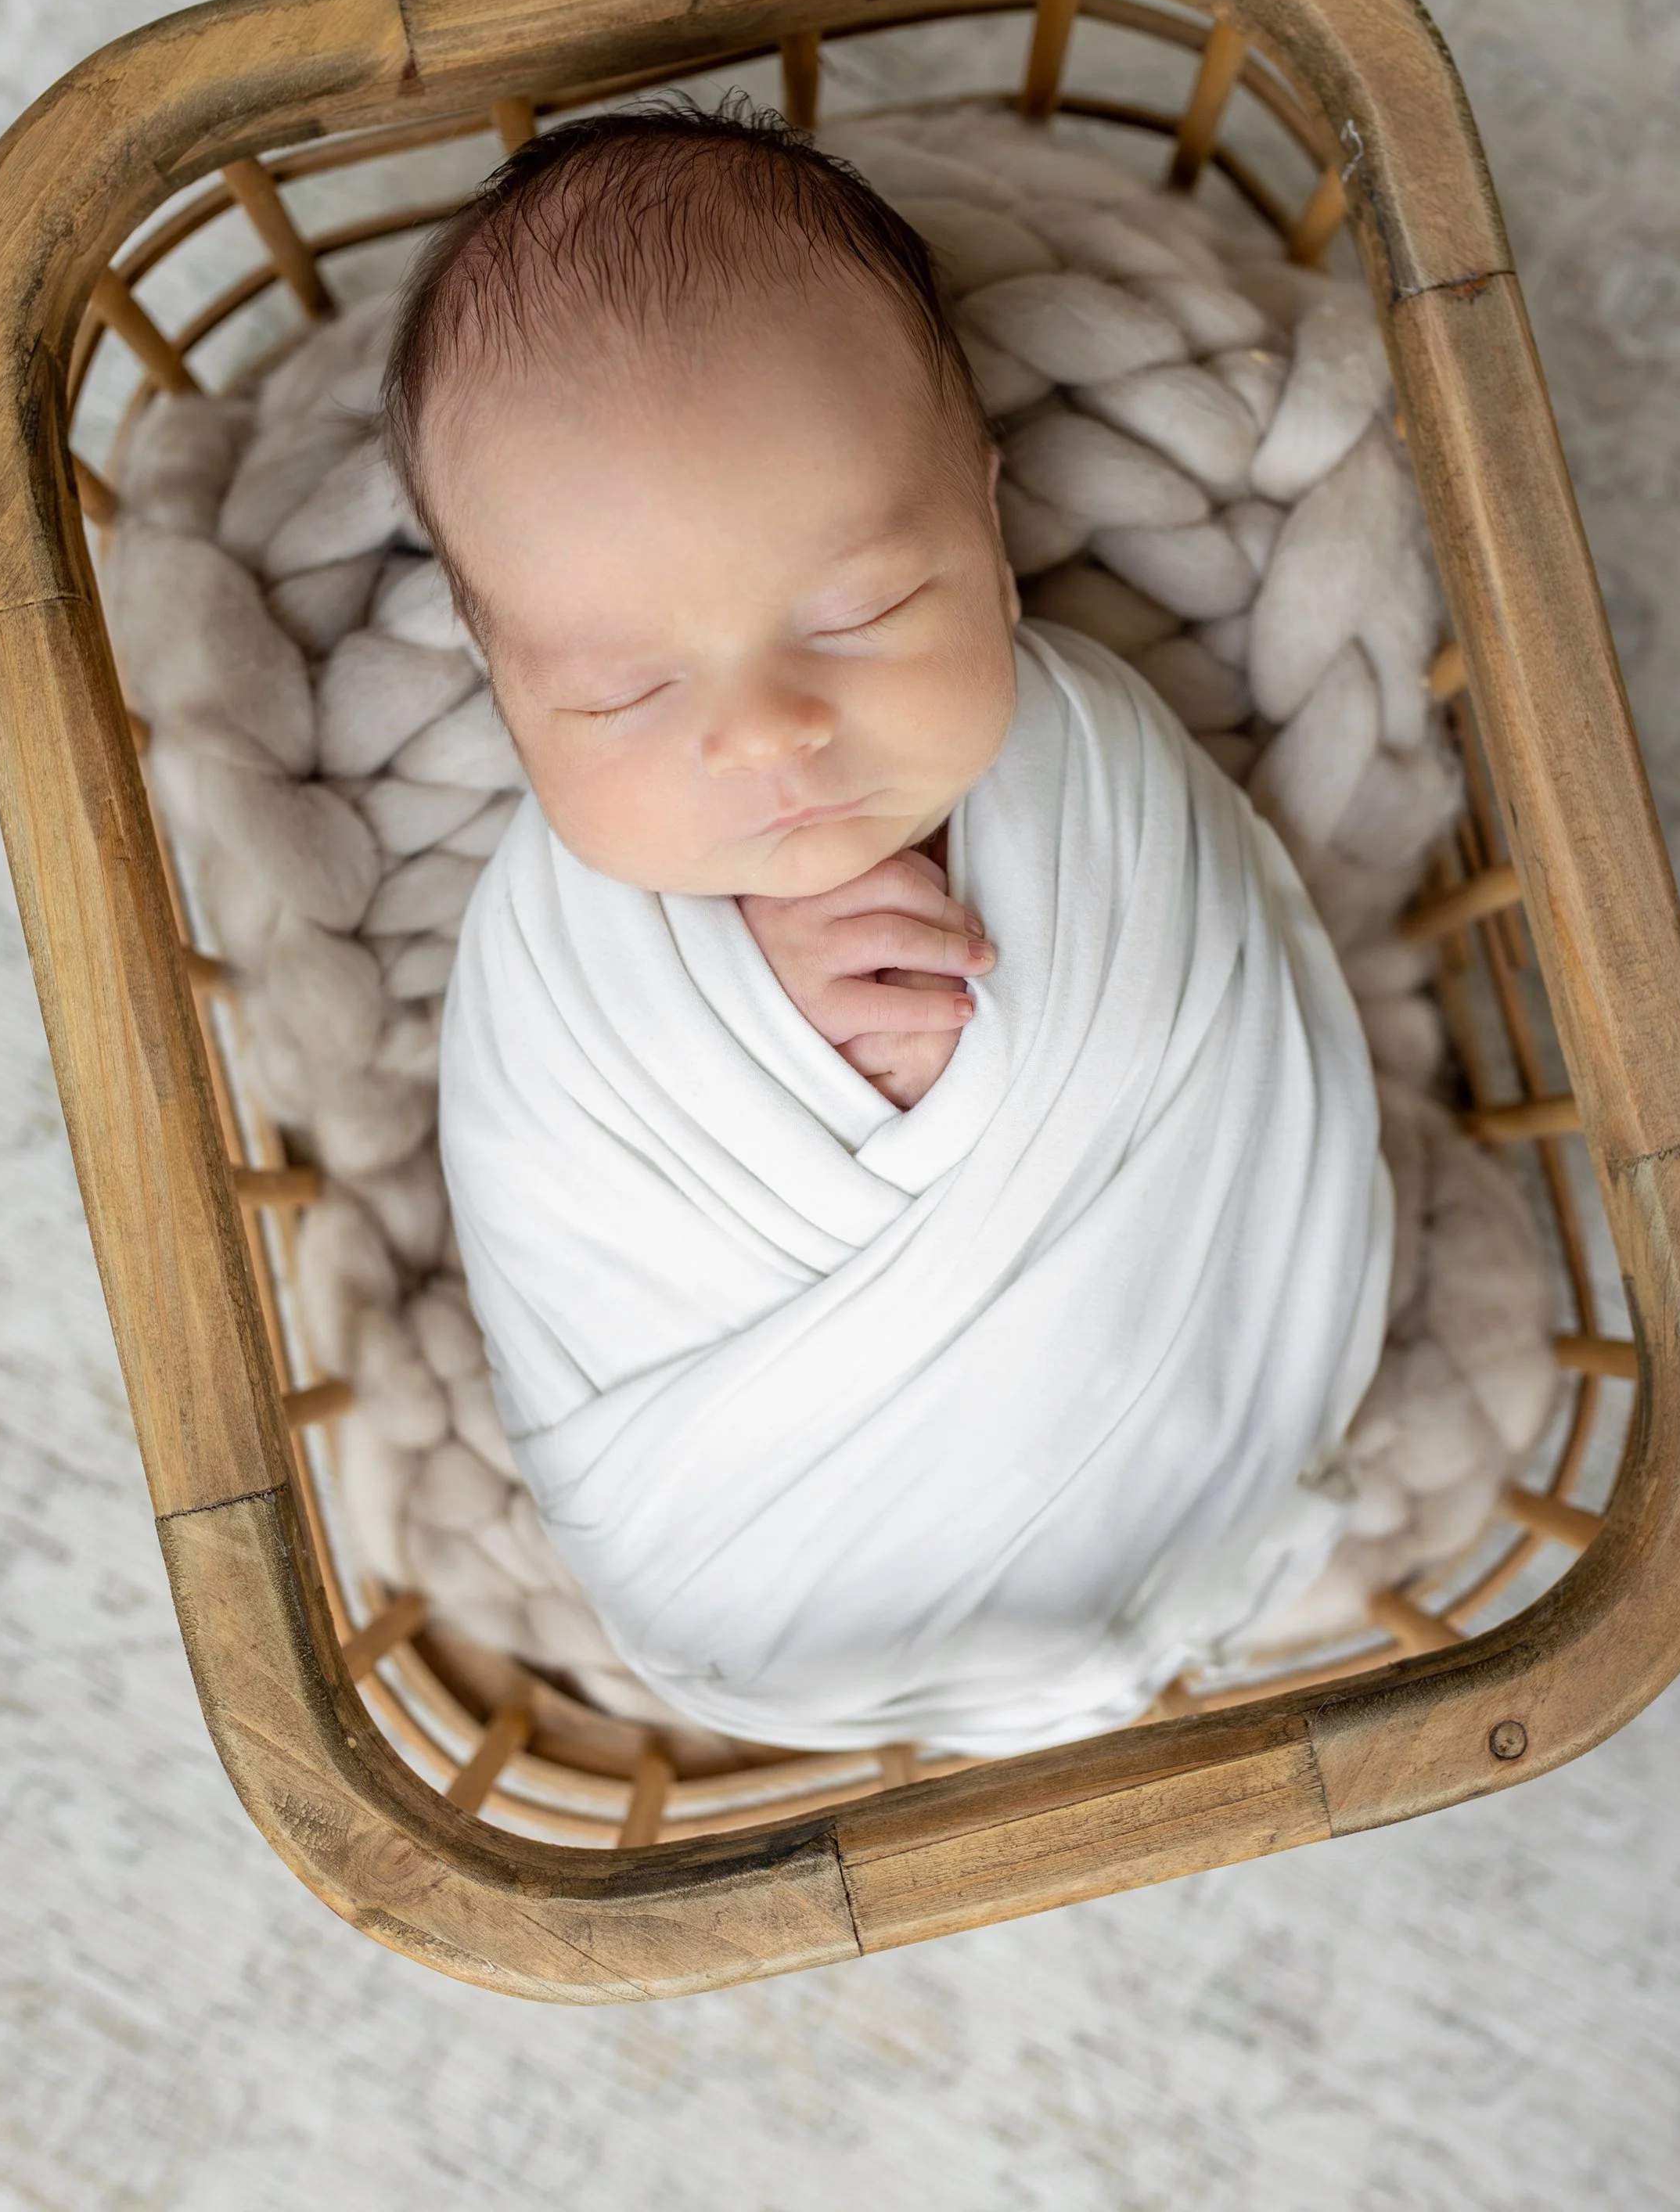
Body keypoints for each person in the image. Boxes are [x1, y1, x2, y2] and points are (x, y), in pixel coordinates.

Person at [384, 101, 1390, 1753]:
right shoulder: (567, 944)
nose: (768, 732)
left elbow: (1192, 1019)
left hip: (1170, 1395)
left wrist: (955, 1072)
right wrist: (774, 1049)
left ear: (986, 535)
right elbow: (558, 1164)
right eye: (622, 689)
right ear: (505, 689)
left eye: (860, 610)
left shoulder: (1094, 768)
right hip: (749, 1537)